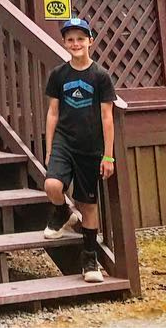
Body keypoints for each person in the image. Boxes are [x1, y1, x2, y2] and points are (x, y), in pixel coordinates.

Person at [42, 16, 116, 284]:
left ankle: (89, 258)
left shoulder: (100, 76)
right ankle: (62, 211)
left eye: (80, 39)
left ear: (90, 42)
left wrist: (108, 154)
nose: (75, 44)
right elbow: (52, 113)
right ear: (64, 42)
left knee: (88, 204)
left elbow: (107, 117)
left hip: (91, 147)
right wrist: (50, 148)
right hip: (64, 141)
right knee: (52, 185)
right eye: (70, 39)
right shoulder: (58, 75)